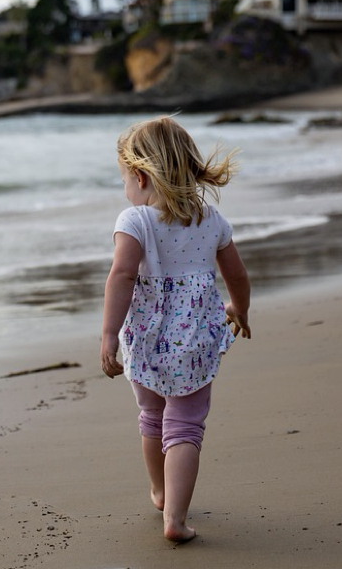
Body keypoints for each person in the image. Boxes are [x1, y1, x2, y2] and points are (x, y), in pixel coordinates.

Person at [99, 116, 253, 543]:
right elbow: (236, 275)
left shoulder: (134, 221)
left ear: (141, 177)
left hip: (146, 339)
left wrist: (109, 333)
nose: (126, 190)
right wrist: (238, 309)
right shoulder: (211, 220)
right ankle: (177, 520)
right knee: (184, 424)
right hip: (195, 339)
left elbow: (122, 277)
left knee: (151, 415)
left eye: (126, 179)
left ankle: (161, 492)